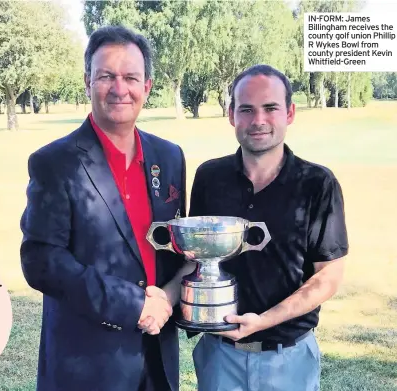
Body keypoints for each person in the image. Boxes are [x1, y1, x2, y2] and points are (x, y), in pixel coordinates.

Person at [20, 25, 187, 391]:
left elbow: (176, 249)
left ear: (147, 86)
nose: (119, 88)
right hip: (87, 367)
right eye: (106, 76)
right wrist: (131, 305)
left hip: (158, 359)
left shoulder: (169, 157)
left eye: (130, 77)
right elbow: (42, 260)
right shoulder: (54, 162)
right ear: (87, 81)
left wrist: (170, 298)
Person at [188, 64, 348, 391]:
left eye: (270, 108)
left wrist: (263, 321)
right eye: (246, 109)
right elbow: (195, 259)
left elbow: (328, 276)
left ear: (289, 113)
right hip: (220, 358)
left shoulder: (317, 183)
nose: (258, 120)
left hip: (289, 360)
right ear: (231, 115)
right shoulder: (209, 177)